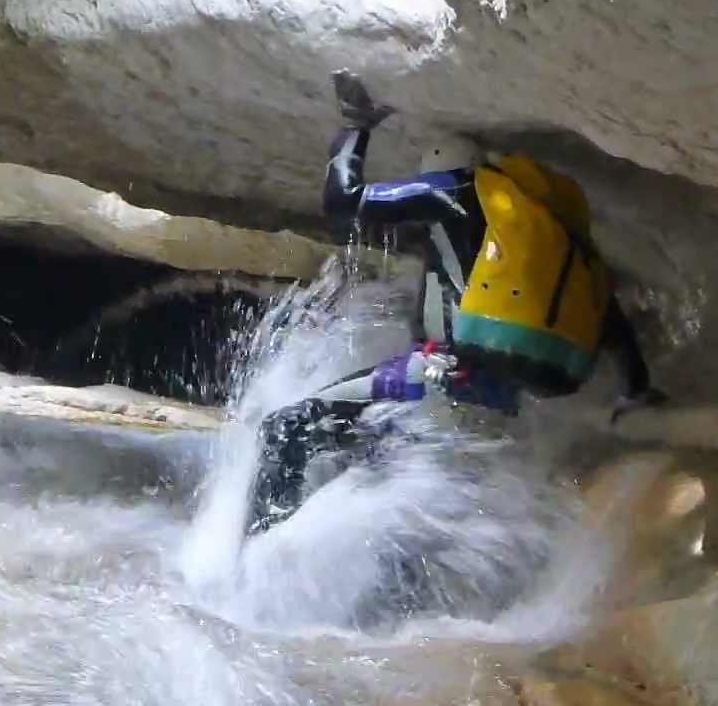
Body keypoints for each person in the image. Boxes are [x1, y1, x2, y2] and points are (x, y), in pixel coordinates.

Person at [250, 72, 664, 532]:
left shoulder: (448, 191)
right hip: (496, 405)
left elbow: (344, 200)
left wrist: (355, 128)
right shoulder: (544, 248)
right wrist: (637, 392)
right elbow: (610, 322)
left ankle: (253, 562)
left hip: (431, 380)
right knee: (381, 480)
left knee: (284, 429)